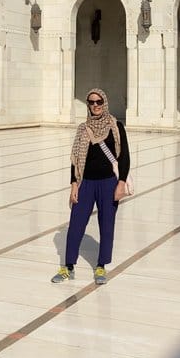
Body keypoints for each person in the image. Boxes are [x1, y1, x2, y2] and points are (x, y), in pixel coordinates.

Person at [53, 87, 131, 285]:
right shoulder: (82, 128)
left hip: (108, 183)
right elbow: (75, 159)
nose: (95, 105)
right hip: (85, 183)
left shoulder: (115, 126)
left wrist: (121, 183)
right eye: (91, 102)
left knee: (107, 226)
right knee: (76, 225)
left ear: (104, 103)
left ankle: (101, 266)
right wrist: (73, 184)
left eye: (98, 102)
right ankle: (68, 266)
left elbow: (124, 158)